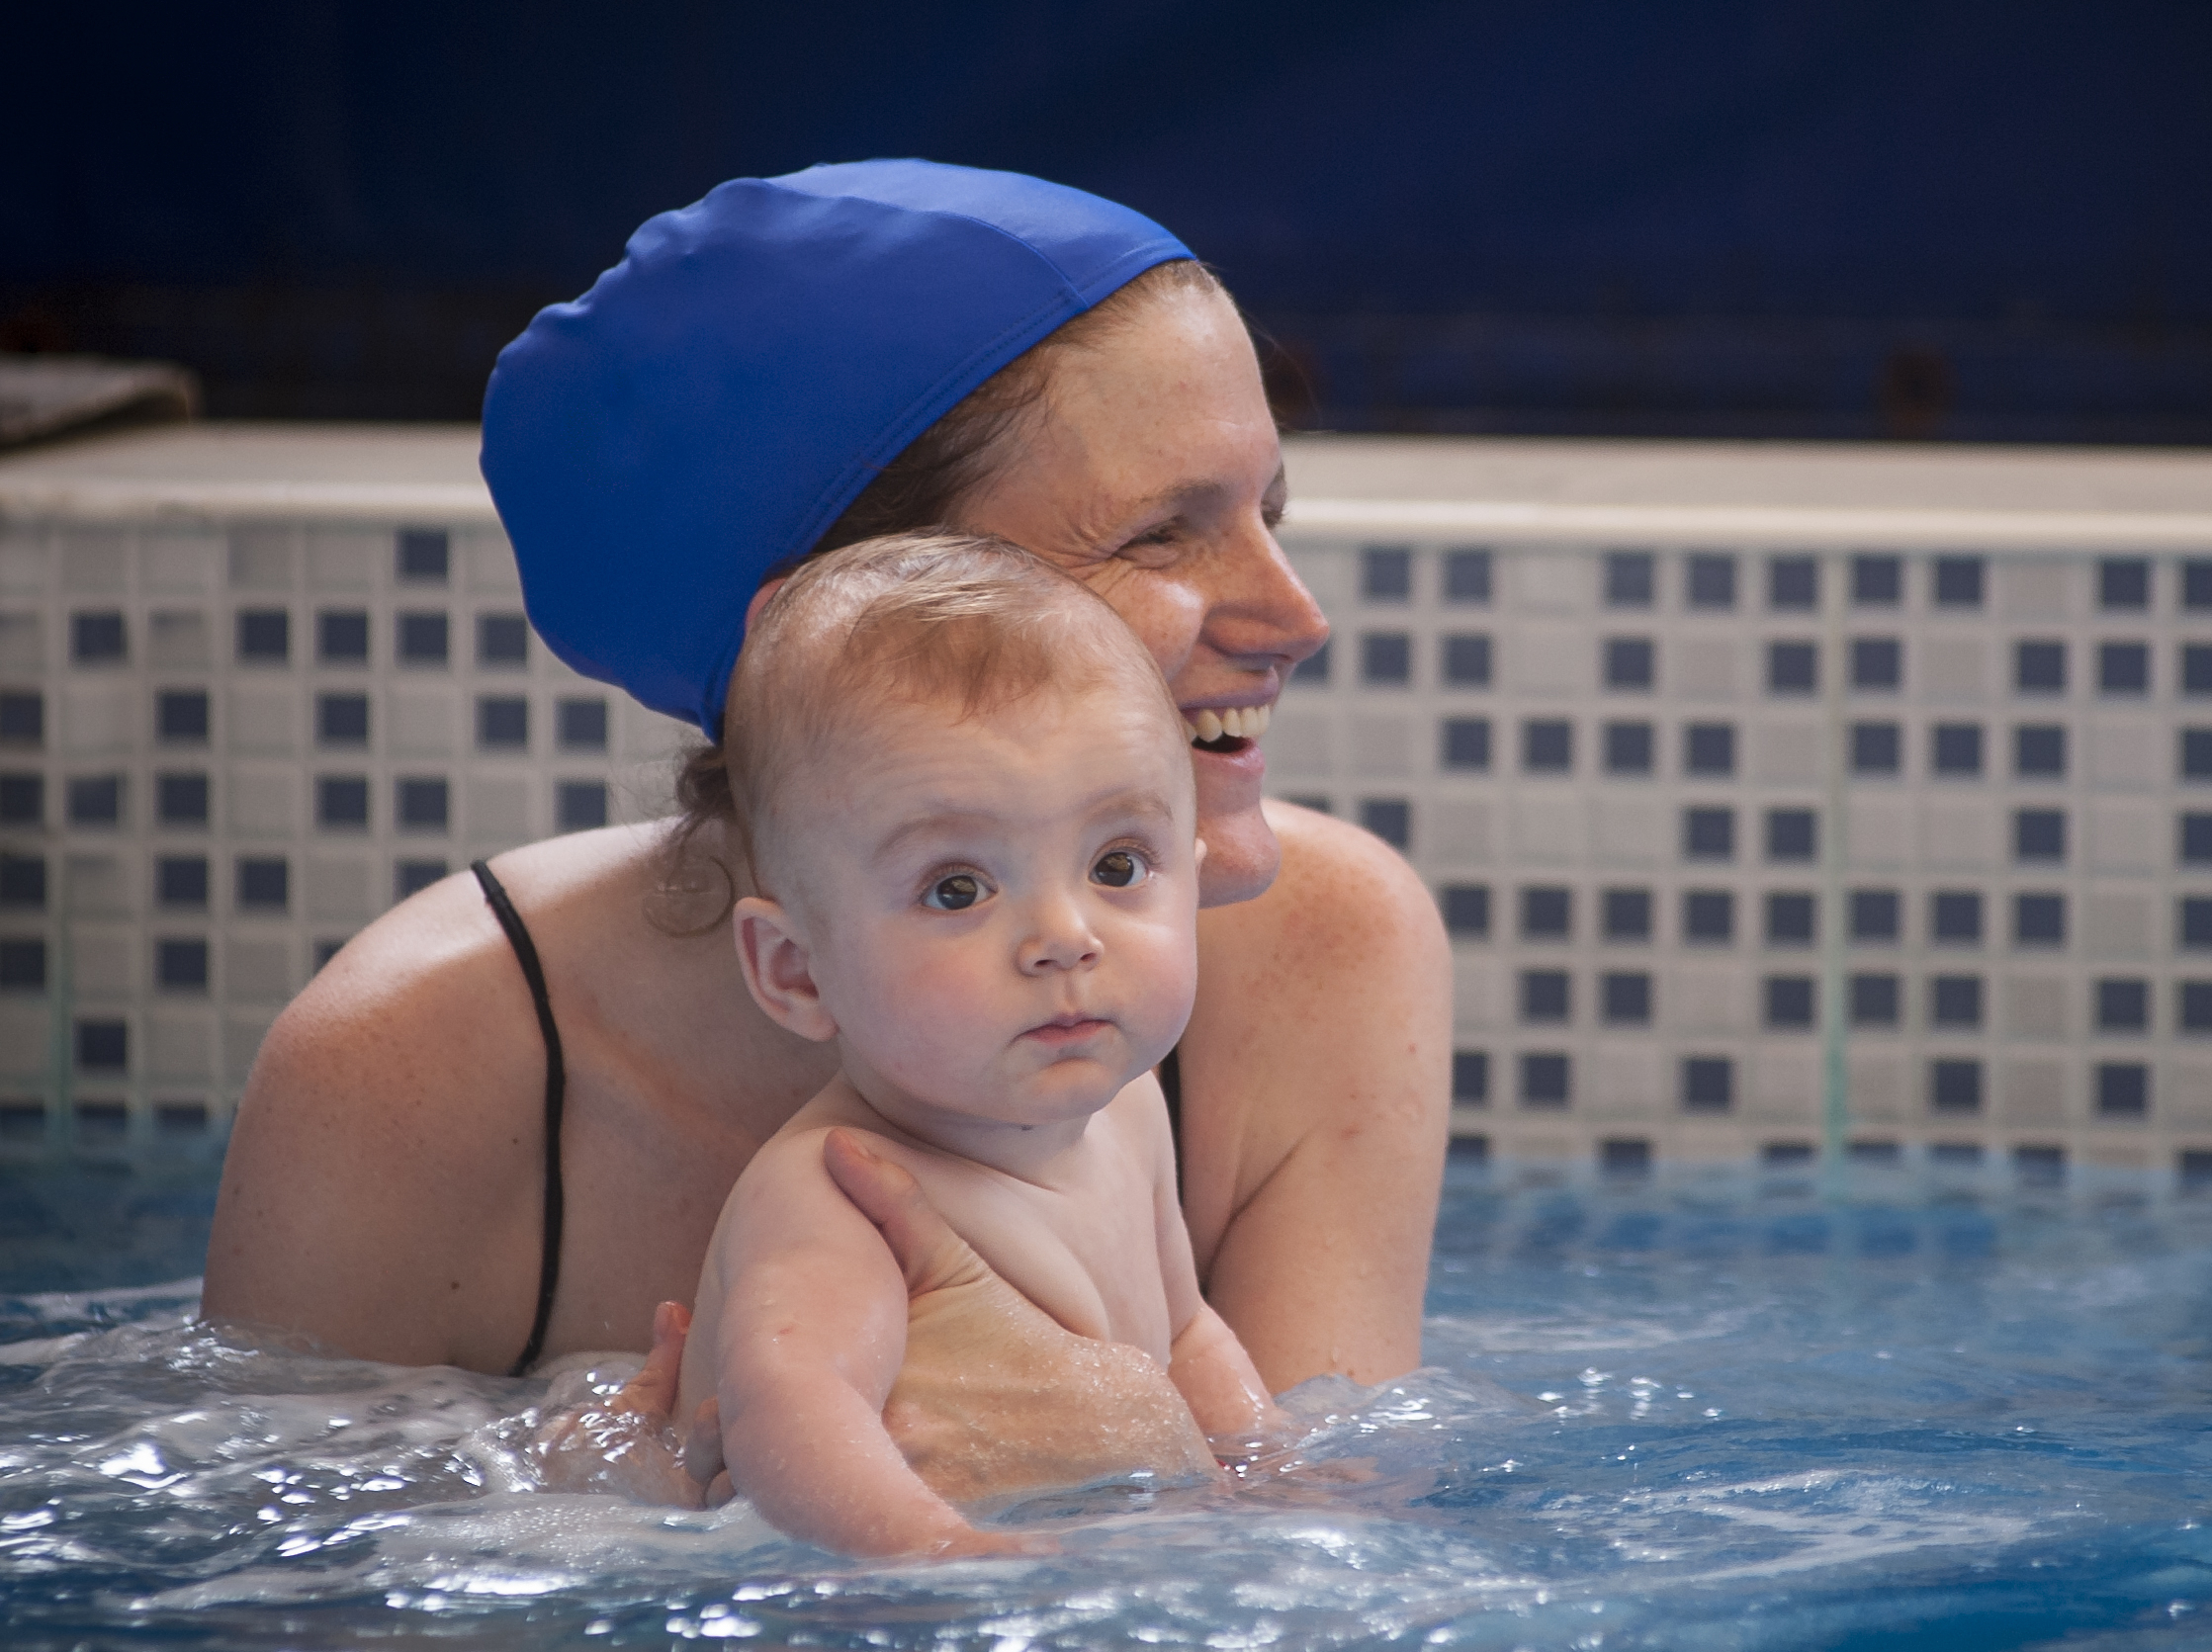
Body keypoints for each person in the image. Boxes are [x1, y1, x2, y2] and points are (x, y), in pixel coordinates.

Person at [201, 162, 1450, 1500]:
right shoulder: (416, 1063)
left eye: (1267, 511)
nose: (1295, 616)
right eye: (1160, 537)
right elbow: (284, 1589)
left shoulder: (1315, 946)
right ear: (838, 619)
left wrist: (1119, 1434)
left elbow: (1326, 1565)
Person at [679, 534, 1279, 1556]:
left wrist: (1276, 1479)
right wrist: (952, 1558)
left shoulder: (1128, 1112)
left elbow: (1186, 1334)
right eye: (958, 887)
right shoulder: (836, 1192)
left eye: (1118, 862)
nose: (1064, 937)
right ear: (794, 968)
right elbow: (793, 1414)